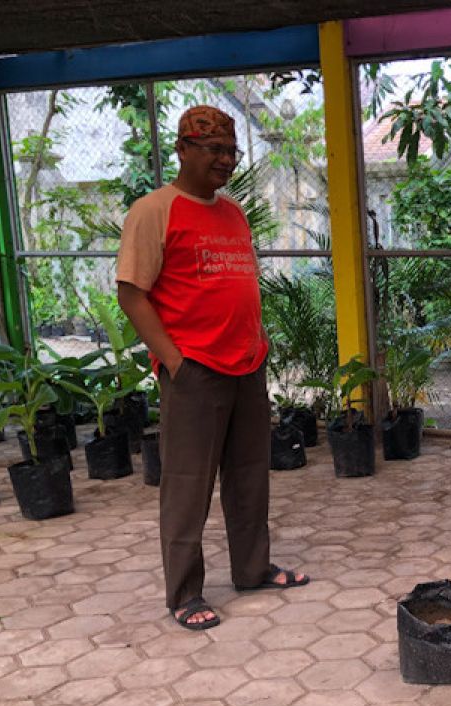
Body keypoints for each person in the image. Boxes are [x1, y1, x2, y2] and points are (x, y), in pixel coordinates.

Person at [116, 105, 308, 631]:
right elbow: (132, 293)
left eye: (231, 151)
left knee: (249, 476)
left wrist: (257, 341)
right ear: (183, 148)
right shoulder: (155, 210)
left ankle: (252, 568)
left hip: (247, 361)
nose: (226, 161)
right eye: (214, 150)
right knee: (187, 483)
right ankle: (185, 592)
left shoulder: (232, 212)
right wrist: (172, 361)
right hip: (194, 369)